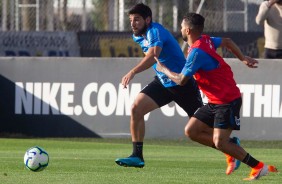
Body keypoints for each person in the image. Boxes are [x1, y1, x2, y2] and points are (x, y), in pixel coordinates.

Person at [114, 3, 241, 174]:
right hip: (163, 82)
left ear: (148, 19)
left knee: (200, 130)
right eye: (131, 20)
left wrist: (133, 71)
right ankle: (137, 156)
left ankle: (231, 145)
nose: (133, 23)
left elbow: (153, 55)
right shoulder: (139, 36)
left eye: (137, 19)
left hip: (183, 83)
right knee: (136, 108)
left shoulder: (155, 31)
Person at [155, 12, 278, 180]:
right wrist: (242, 58)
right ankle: (231, 147)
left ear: (188, 30)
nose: (180, 30)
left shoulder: (197, 52)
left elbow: (181, 80)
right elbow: (227, 41)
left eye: (182, 27)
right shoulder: (205, 40)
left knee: (220, 142)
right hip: (215, 101)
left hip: (227, 100)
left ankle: (258, 167)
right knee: (191, 131)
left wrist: (164, 70)